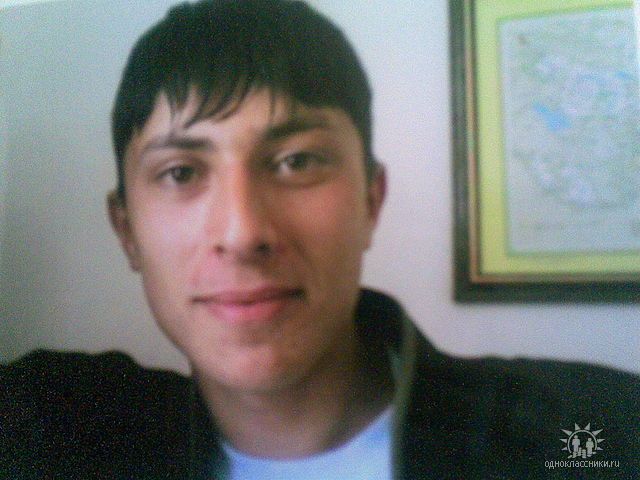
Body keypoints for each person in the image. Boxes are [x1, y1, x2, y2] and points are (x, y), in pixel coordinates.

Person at [1, 1, 638, 479]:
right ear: (127, 231)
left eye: (297, 161)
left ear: (371, 201)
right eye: (181, 173)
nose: (243, 233)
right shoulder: (63, 433)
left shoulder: (590, 431)